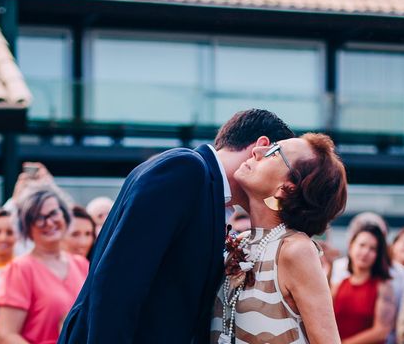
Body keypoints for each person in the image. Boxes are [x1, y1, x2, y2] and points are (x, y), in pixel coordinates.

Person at [59, 108, 294, 343]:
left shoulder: (206, 189)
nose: (283, 185)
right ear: (260, 149)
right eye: (283, 166)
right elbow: (117, 282)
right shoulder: (185, 169)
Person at [211, 133, 347, 343]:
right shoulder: (240, 243)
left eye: (273, 152)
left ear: (287, 188)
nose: (257, 150)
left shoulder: (295, 249)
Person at [0, 186, 89, 344]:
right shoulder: (21, 269)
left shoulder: (81, 265)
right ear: (26, 227)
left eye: (53, 213)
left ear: (64, 215)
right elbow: (7, 334)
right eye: (38, 217)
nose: (49, 222)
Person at [330, 212, 404, 344]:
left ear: (378, 255)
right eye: (362, 245)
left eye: (372, 249)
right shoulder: (340, 284)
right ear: (351, 246)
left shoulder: (384, 286)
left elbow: (381, 331)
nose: (365, 252)